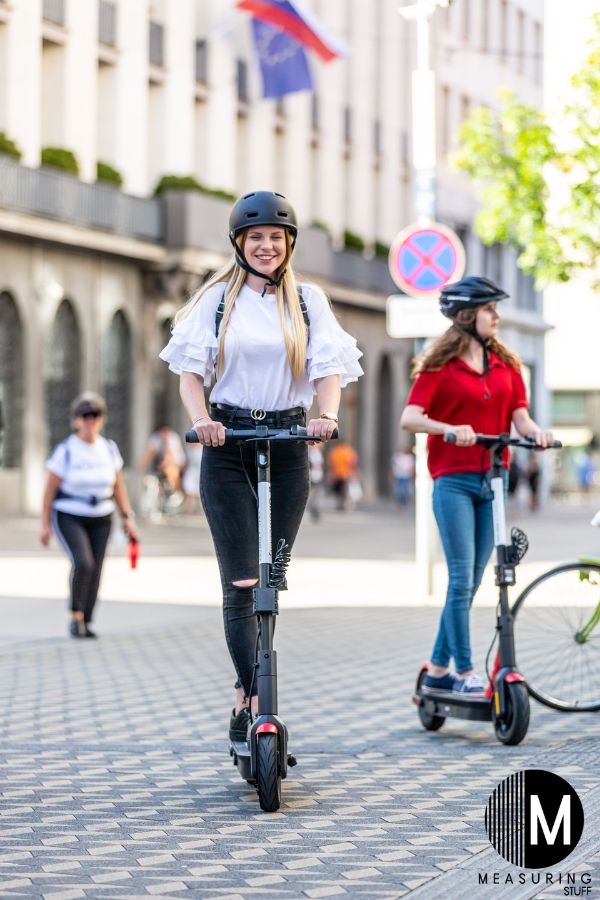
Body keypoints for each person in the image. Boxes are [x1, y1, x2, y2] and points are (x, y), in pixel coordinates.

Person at [158, 190, 363, 741]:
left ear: (289, 243)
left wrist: (327, 415)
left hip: (289, 441)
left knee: (271, 580)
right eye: (256, 238)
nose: (266, 246)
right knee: (242, 581)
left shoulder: (308, 302)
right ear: (239, 244)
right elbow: (191, 375)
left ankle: (253, 687)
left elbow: (327, 368)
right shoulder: (217, 301)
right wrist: (202, 420)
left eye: (276, 237)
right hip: (227, 442)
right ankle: (252, 696)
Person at [400, 276, 553, 695]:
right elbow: (410, 417)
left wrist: (536, 434)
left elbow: (520, 416)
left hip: (493, 481)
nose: (496, 316)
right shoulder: (440, 367)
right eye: (489, 309)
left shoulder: (507, 365)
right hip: (453, 482)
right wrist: (449, 429)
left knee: (474, 579)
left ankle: (437, 669)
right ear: (466, 316)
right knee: (461, 579)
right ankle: (465, 672)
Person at [40, 392, 139, 638]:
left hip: (102, 516)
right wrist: (44, 525)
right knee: (83, 562)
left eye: (95, 415)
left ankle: (86, 618)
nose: (90, 420)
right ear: (76, 420)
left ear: (101, 419)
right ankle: (75, 614)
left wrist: (127, 517)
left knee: (96, 567)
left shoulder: (108, 448)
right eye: (85, 416)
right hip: (70, 514)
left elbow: (118, 486)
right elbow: (49, 490)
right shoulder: (66, 450)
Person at [326, 439, 359, 510]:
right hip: (346, 474)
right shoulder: (349, 451)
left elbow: (330, 464)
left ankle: (341, 503)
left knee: (339, 490)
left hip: (337, 474)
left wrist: (330, 474)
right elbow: (353, 463)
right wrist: (354, 473)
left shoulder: (335, 451)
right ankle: (344, 503)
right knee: (344, 490)